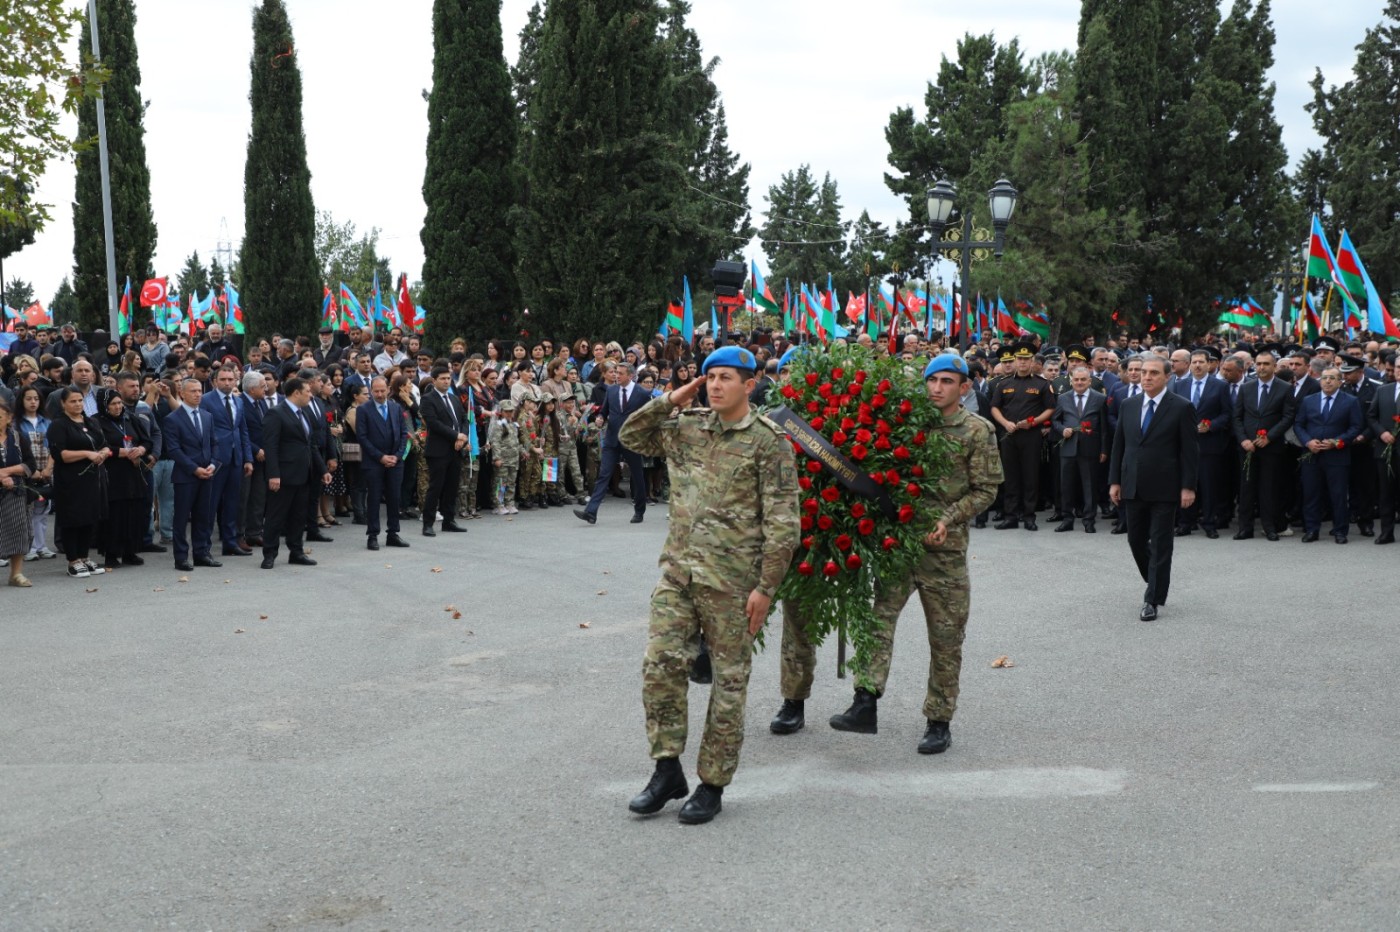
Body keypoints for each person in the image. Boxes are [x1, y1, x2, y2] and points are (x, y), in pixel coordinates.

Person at [620, 346, 799, 825]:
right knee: (660, 667)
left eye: (725, 378)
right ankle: (666, 769)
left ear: (750, 383)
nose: (715, 385)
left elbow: (784, 522)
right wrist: (670, 400)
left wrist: (766, 587)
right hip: (678, 575)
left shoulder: (768, 442)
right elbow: (630, 435)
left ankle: (712, 783)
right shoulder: (688, 427)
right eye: (709, 378)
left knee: (728, 683)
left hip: (734, 586)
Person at [799, 354, 1002, 753]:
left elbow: (987, 490)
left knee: (945, 638)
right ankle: (865, 701)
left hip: (944, 553)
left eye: (947, 381)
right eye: (932, 380)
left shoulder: (977, 431)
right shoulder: (907, 425)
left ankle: (939, 720)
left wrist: (948, 518)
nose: (937, 388)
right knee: (878, 622)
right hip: (899, 544)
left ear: (964, 388)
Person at [1109, 355, 1199, 621]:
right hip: (1133, 484)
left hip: (1166, 486)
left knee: (1161, 544)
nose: (1146, 377)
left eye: (1153, 373)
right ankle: (1157, 581)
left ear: (1167, 377)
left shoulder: (1181, 407)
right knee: (1135, 539)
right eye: (1143, 372)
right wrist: (1115, 480)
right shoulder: (1129, 404)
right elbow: (1119, 446)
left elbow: (1189, 452)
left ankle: (1152, 598)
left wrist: (1188, 487)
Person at [261, 376, 330, 568]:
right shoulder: (276, 413)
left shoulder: (304, 413)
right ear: (296, 392)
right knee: (276, 516)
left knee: (299, 517)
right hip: (283, 475)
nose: (311, 394)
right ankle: (269, 553)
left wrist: (322, 469)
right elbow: (271, 446)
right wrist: (273, 474)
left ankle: (296, 551)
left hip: (304, 474)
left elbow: (311, 445)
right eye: (307, 391)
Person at [47, 385, 112, 578]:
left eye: (80, 400)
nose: (77, 404)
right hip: (70, 479)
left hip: (93, 479)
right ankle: (72, 560)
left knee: (89, 518)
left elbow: (105, 444)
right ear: (63, 403)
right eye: (72, 401)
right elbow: (61, 454)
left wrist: (103, 453)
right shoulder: (59, 424)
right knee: (72, 519)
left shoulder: (90, 421)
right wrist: (87, 453)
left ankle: (84, 557)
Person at [575, 362, 651, 525]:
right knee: (604, 474)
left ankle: (639, 511)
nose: (617, 376)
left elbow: (648, 417)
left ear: (630, 376)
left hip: (632, 441)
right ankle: (591, 512)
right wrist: (601, 417)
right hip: (611, 439)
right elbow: (604, 410)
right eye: (616, 372)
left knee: (637, 477)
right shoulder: (611, 390)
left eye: (621, 373)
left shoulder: (642, 393)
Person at [1294, 367, 1363, 544]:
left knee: (1338, 495)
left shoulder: (1350, 401)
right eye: (1324, 378)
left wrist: (1337, 441)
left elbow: (1355, 427)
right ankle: (1312, 530)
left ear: (1340, 381)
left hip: (1337, 456)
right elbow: (1299, 425)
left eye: (1332, 378)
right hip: (1312, 454)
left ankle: (1340, 531)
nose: (1328, 381)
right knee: (1311, 494)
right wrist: (1308, 442)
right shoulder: (1309, 400)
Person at [989, 342, 1054, 530]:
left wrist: (1033, 422)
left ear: (1032, 361)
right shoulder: (1004, 383)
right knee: (1010, 476)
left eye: (1026, 359)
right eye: (1019, 359)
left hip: (1031, 435)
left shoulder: (1041, 384)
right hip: (1009, 435)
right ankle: (1010, 516)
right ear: (1015, 361)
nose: (1023, 362)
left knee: (1030, 476)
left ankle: (1028, 516)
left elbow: (1051, 408)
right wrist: (1005, 423)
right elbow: (994, 407)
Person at [1232, 348, 1295, 541]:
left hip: (1271, 447)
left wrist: (1270, 437)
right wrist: (1243, 439)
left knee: (1269, 489)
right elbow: (1237, 417)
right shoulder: (1246, 388)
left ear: (1274, 366)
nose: (1261, 367)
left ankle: (1269, 527)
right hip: (1247, 447)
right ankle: (1245, 528)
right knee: (1246, 489)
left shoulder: (1284, 388)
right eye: (1258, 364)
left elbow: (1288, 416)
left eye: (1266, 364)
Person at [1172, 349, 1232, 538]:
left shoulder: (1220, 386)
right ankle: (1185, 523)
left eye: (1201, 362)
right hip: (1184, 445)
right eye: (1194, 362)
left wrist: (1212, 425)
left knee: (1208, 486)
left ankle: (1209, 522)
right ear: (1190, 364)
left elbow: (1227, 414)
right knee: (1186, 483)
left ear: (1209, 364)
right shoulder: (1180, 386)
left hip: (1210, 444)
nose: (1197, 365)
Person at [164, 378, 221, 571]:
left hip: (207, 474)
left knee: (203, 516)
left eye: (200, 391)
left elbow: (214, 443)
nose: (198, 394)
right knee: (181, 518)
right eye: (193, 391)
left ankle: (202, 553)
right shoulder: (173, 419)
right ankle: (181, 557)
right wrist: (194, 469)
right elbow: (174, 450)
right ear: (182, 394)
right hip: (186, 476)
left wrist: (213, 464)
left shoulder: (207, 416)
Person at [199, 365, 254, 556]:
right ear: (215, 381)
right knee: (210, 504)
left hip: (236, 459)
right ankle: (203, 546)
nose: (227, 382)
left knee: (232, 503)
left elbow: (242, 430)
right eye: (223, 379)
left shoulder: (238, 401)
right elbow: (202, 431)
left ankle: (230, 543)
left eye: (230, 379)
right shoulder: (205, 400)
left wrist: (248, 458)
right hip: (214, 460)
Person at [1052, 366, 1108, 533]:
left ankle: (1089, 520)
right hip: (1068, 448)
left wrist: (1104, 450)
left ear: (1089, 381)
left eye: (1083, 379)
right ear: (1071, 380)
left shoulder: (1100, 398)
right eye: (1076, 379)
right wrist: (1062, 429)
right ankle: (1067, 519)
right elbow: (1055, 420)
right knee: (1066, 485)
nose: (1079, 382)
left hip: (1090, 448)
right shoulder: (1063, 398)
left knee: (1089, 486)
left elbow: (1105, 428)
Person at [357, 376, 411, 551]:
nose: (379, 394)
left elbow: (404, 433)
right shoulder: (364, 410)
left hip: (395, 461)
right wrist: (380, 457)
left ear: (388, 389)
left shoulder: (396, 408)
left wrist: (397, 455)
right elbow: (362, 437)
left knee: (394, 497)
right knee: (373, 498)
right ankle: (372, 535)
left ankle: (393, 533)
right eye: (376, 391)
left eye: (382, 390)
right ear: (371, 391)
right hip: (374, 462)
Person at [419, 366, 469, 535]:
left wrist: (462, 437)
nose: (446, 381)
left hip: (455, 450)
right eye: (442, 378)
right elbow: (434, 423)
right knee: (436, 487)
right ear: (434, 380)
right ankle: (428, 523)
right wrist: (456, 436)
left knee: (452, 487)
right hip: (438, 450)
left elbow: (464, 420)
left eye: (448, 378)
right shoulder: (428, 399)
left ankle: (449, 520)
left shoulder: (454, 399)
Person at [0, 400, 37, 587]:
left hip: (16, 492)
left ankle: (16, 574)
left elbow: (31, 464)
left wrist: (7, 472)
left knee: (19, 531)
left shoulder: (18, 437)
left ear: (8, 418)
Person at [488, 399, 521, 514]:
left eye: (511, 411)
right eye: (506, 411)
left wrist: (522, 451)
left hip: (513, 459)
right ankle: (499, 504)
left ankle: (509, 503)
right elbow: (495, 442)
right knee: (501, 482)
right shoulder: (498, 425)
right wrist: (496, 458)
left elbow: (516, 441)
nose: (509, 413)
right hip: (503, 459)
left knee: (511, 482)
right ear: (501, 412)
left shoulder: (513, 424)